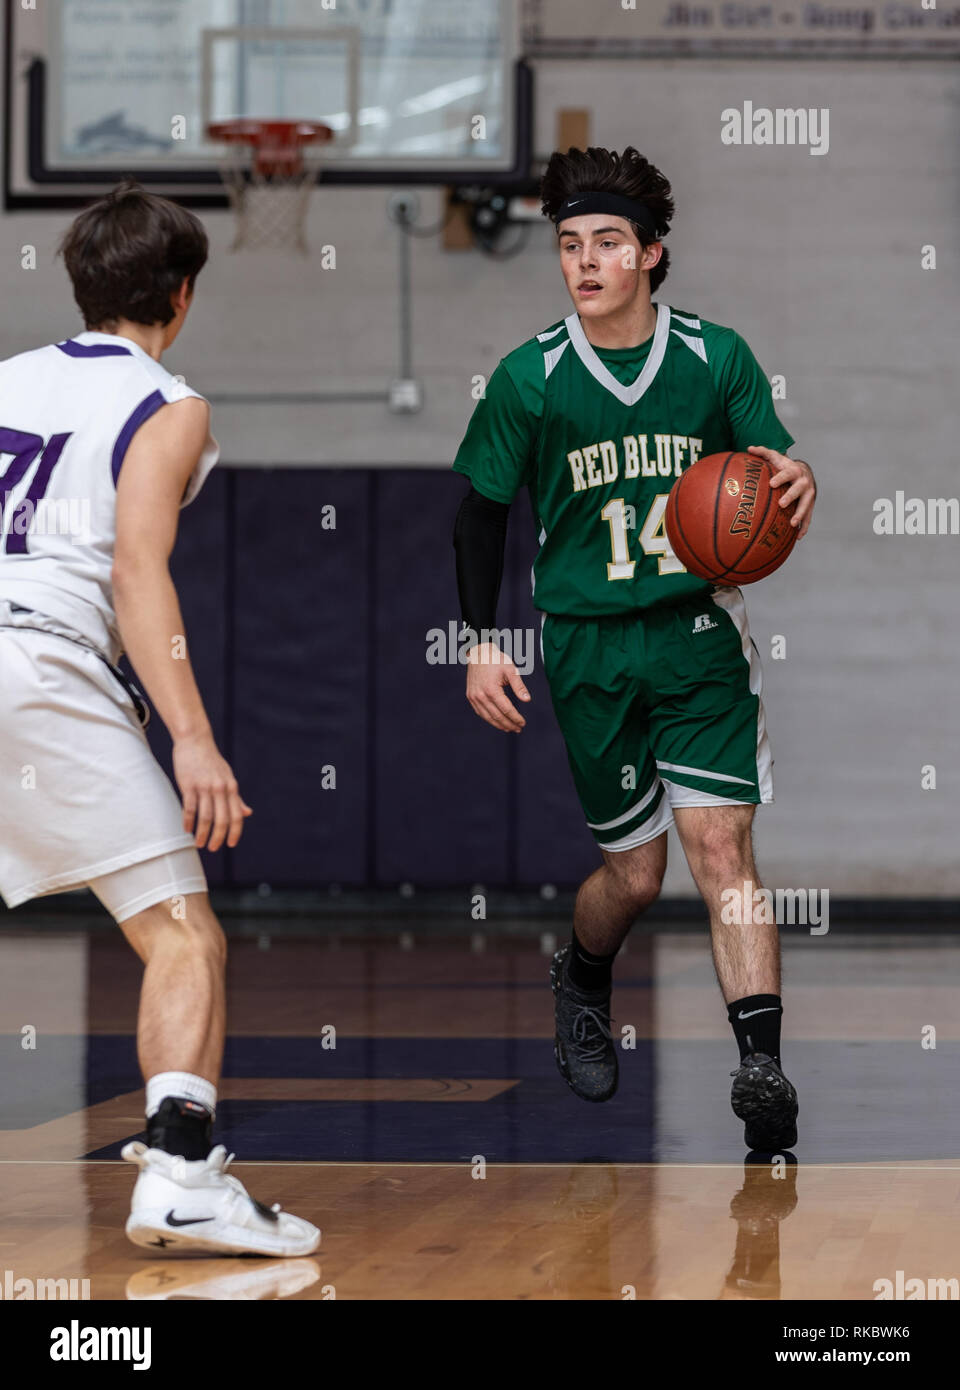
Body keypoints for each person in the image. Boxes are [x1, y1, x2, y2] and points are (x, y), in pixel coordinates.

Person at [452, 147, 816, 1150]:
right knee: (635, 876)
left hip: (697, 637)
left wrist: (798, 480)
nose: (585, 261)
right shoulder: (531, 378)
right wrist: (483, 640)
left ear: (651, 254)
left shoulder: (715, 359)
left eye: (607, 242)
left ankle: (762, 1069)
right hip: (589, 647)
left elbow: (773, 470)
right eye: (570, 245)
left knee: (720, 849)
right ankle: (583, 968)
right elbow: (478, 515)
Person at [0, 181, 319, 1253]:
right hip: (42, 663)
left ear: (79, 284)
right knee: (184, 933)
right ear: (181, 297)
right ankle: (181, 1173)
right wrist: (191, 735)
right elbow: (138, 571)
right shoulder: (168, 403)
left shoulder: (6, 381)